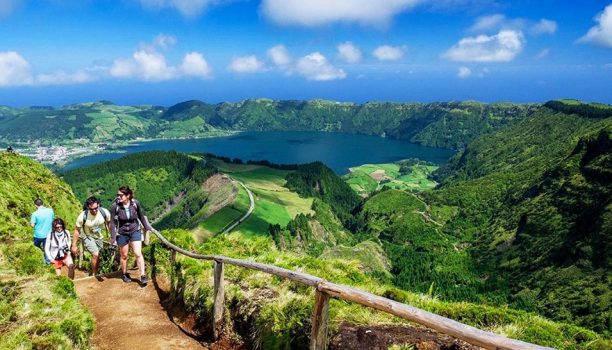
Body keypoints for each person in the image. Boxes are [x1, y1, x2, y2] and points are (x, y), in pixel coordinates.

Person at [110, 186, 153, 286]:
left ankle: (142, 275)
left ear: (128, 195)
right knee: (124, 255)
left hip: (135, 230)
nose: (118, 197)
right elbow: (112, 223)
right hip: (122, 233)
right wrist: (113, 237)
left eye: (121, 195)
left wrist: (147, 227)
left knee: (138, 253)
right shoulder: (115, 206)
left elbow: (141, 216)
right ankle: (124, 274)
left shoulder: (135, 204)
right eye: (118, 195)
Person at [72, 196, 111, 276]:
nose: (94, 210)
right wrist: (74, 245)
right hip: (87, 236)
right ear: (88, 207)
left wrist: (113, 236)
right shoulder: (82, 216)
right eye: (91, 209)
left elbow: (109, 224)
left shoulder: (105, 212)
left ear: (98, 205)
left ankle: (94, 271)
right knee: (95, 254)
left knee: (98, 256)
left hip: (99, 236)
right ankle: (94, 274)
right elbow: (77, 230)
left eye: (96, 208)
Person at [30, 198, 54, 264]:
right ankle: (48, 263)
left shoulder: (34, 214)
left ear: (35, 205)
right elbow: (52, 220)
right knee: (47, 249)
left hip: (38, 235)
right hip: (48, 234)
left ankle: (37, 262)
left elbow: (32, 225)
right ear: (43, 203)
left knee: (36, 248)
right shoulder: (50, 211)